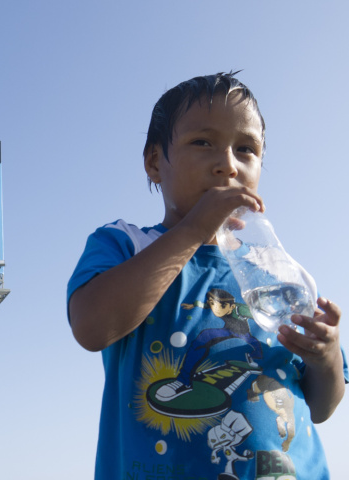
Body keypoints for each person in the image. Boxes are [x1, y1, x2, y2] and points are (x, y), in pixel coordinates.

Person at [67, 72, 347, 480]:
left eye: (246, 149)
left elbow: (321, 408)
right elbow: (91, 327)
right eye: (203, 142)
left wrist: (326, 359)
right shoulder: (127, 244)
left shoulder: (282, 271)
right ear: (153, 163)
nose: (227, 165)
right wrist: (193, 231)